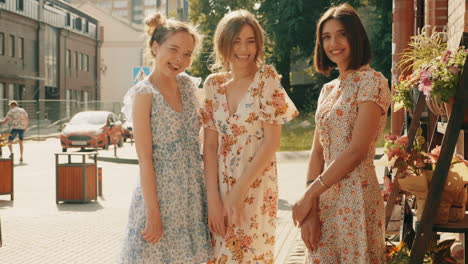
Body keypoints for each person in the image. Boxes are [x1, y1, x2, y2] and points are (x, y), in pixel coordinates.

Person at [291, 3, 391, 264]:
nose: (333, 43)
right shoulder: (328, 90)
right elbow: (318, 151)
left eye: (341, 34)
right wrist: (310, 209)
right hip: (324, 201)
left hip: (357, 197)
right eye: (326, 36)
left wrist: (309, 195)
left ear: (355, 36)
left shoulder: (373, 81)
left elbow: (356, 151)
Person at [200, 10, 299, 263]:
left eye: (250, 40)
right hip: (219, 187)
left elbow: (271, 143)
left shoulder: (266, 79)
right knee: (219, 254)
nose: (244, 49)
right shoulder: (213, 85)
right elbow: (209, 146)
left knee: (251, 255)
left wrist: (237, 194)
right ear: (223, 43)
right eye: (236, 41)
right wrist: (214, 199)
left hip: (255, 185)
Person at [119, 12, 212, 263]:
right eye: (173, 50)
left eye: (187, 54)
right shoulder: (144, 94)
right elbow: (145, 158)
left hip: (191, 196)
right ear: (155, 47)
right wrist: (153, 214)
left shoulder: (188, 86)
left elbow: (202, 134)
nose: (180, 59)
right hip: (160, 197)